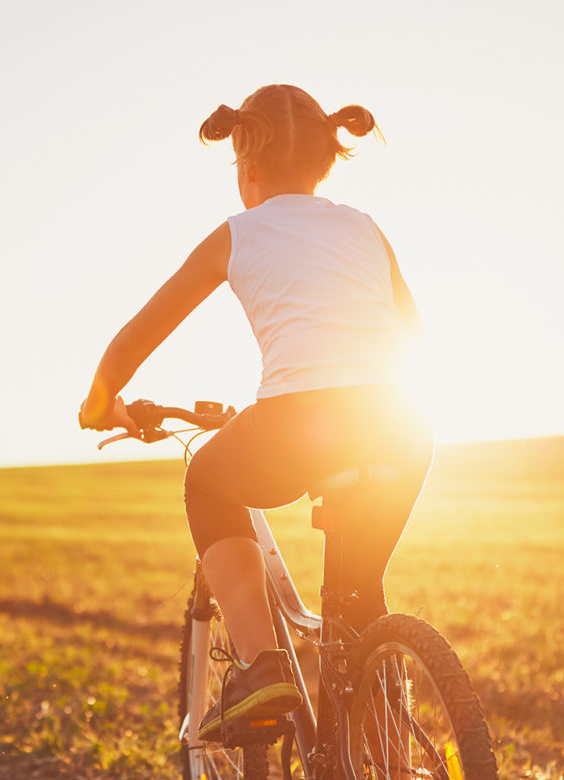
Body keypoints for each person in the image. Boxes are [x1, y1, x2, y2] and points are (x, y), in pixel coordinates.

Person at [78, 84, 433, 740]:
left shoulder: (238, 233)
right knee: (360, 600)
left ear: (246, 163)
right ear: (326, 160)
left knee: (208, 481)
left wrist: (99, 404)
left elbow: (133, 341)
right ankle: (381, 752)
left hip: (301, 421)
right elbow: (411, 336)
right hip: (401, 429)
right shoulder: (364, 227)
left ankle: (262, 665)